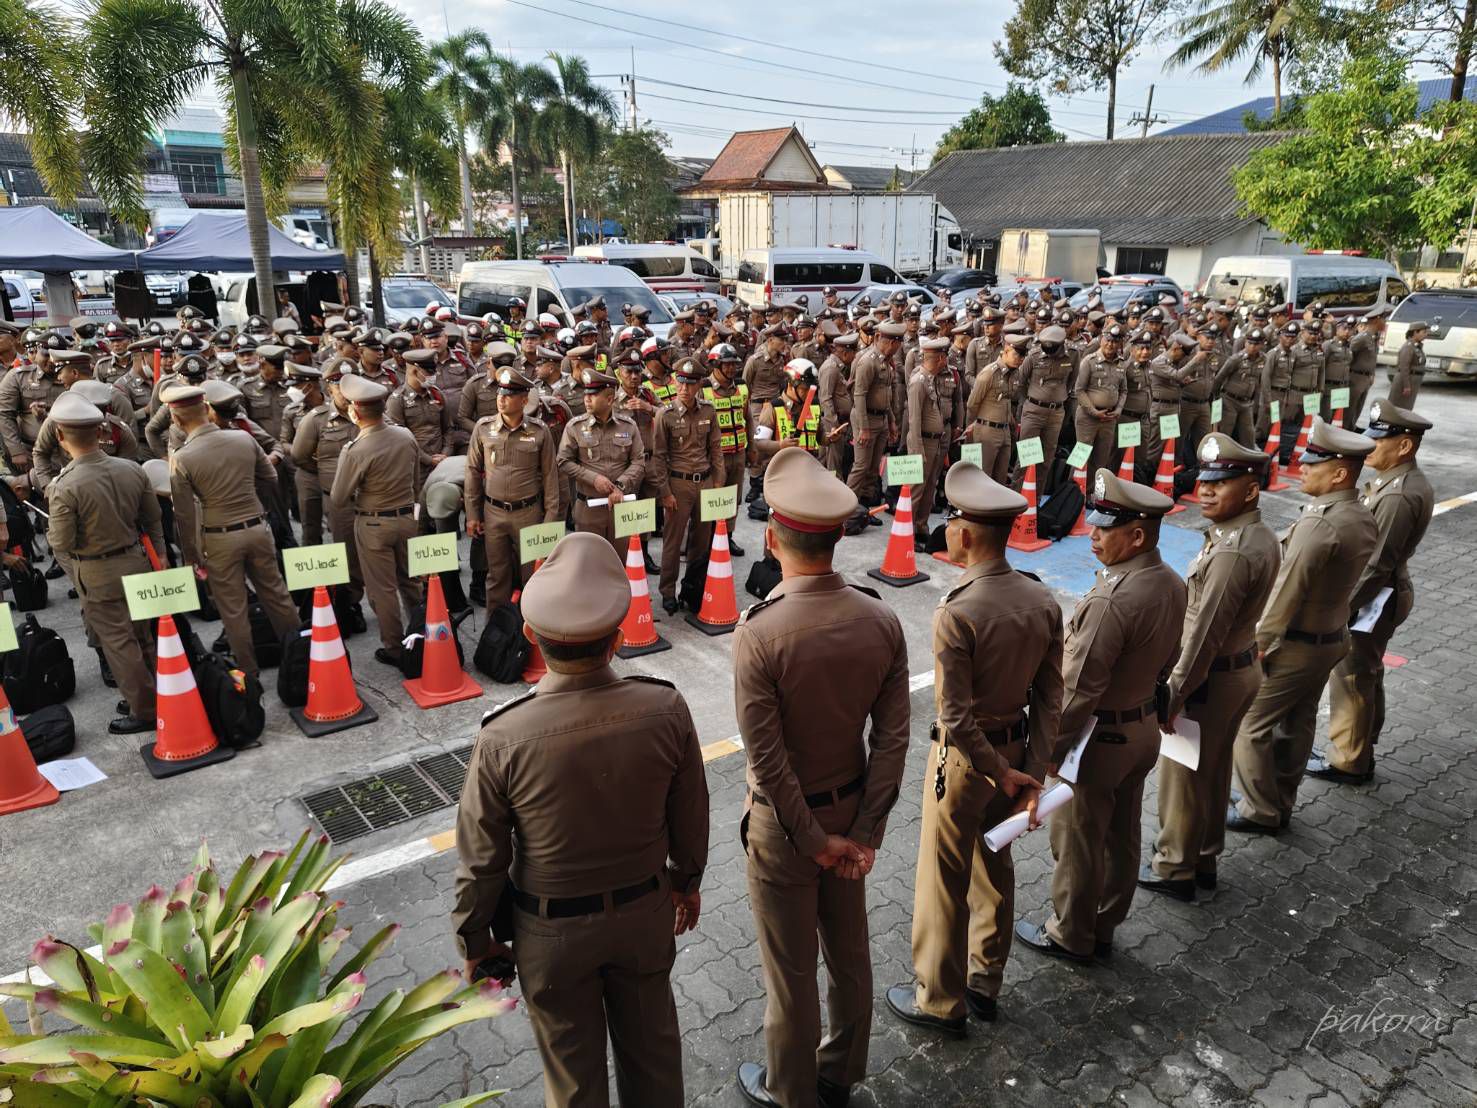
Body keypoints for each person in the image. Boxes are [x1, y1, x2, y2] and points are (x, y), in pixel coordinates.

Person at [452, 532, 708, 1108]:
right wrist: (686, 881)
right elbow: (691, 813)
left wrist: (475, 939)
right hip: (644, 914)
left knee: (572, 1083)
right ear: (618, 638)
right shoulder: (665, 708)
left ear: (530, 635)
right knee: (655, 1063)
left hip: (549, 934)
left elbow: (481, 859)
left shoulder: (502, 736)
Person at [732, 447, 910, 1108]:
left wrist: (812, 840)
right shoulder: (881, 618)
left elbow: (767, 759)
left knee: (790, 972)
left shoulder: (759, 633)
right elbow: (891, 739)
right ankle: (840, 1072)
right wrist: (862, 832)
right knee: (849, 954)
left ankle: (791, 1089)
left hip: (786, 831)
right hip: (851, 811)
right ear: (837, 538)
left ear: (771, 539)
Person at [887, 463, 1061, 1034]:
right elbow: (1050, 697)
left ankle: (940, 999)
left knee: (944, 879)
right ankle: (985, 983)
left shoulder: (957, 610)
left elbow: (956, 717)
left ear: (964, 533)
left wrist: (998, 771)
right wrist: (1030, 771)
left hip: (965, 763)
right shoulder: (1041, 599)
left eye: (953, 521)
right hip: (1017, 751)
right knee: (995, 865)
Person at [1015, 469, 1186, 961]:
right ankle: (1105, 923)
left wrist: (1048, 753)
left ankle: (1071, 933)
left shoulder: (1114, 599)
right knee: (1122, 833)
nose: (1092, 534)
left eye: (1105, 528)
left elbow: (1077, 691)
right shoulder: (1171, 582)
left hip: (1099, 741)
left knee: (1078, 839)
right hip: (1141, 730)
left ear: (1137, 536)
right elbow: (1171, 657)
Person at [1138, 434, 1280, 902]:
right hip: (1235, 669)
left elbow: (1203, 637)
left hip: (1209, 679)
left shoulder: (1232, 551)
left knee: (1183, 777)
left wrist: (1172, 696)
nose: (1205, 490)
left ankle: (1175, 866)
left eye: (1221, 483)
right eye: (1204, 481)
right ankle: (1203, 857)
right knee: (1212, 771)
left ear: (1251, 490)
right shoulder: (1254, 535)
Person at [1228, 419, 1377, 834]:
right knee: (1297, 720)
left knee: (1251, 724)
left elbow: (1286, 591)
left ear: (1340, 474)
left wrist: (1257, 646)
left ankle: (1260, 810)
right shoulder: (1359, 514)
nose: (1303, 468)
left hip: (1297, 643)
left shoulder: (1321, 523)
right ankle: (1281, 799)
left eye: (1314, 464)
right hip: (1330, 637)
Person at [1312, 403, 1434, 784]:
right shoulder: (1395, 483)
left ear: (1404, 446)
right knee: (1365, 671)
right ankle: (1362, 745)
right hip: (1380, 593)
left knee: (1352, 675)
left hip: (1375, 597)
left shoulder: (1398, 495)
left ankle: (1349, 760)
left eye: (1380, 440)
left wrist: (1341, 609)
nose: (1370, 446)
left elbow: (1376, 565)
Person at [46, 393, 164, 734]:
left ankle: (145, 709)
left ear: (60, 436)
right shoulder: (132, 469)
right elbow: (153, 518)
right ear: (100, 431)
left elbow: (61, 542)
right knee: (143, 637)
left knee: (119, 643)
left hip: (97, 572)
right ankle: (158, 693)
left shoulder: (65, 486)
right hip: (136, 560)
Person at [164, 384, 301, 678]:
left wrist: (191, 555)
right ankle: (300, 659)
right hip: (256, 527)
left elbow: (184, 514)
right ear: (206, 409)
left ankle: (249, 677)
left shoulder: (183, 457)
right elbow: (270, 477)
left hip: (218, 537)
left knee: (233, 609)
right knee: (277, 596)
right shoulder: (243, 438)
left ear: (175, 419)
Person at [330, 374, 423, 666]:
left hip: (373, 524)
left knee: (382, 589)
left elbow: (338, 497)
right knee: (411, 582)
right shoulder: (405, 436)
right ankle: (421, 634)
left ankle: (394, 647)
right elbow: (416, 481)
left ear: (355, 412)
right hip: (406, 517)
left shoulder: (356, 449)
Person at [463, 367, 562, 609]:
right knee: (497, 576)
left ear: (524, 400)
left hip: (528, 513)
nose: (502, 398)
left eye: (509, 394)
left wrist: (550, 520)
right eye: (500, 393)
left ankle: (531, 624)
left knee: (532, 574)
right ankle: (496, 626)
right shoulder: (483, 428)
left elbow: (550, 477)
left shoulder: (539, 431)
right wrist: (473, 514)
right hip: (493, 513)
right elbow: (472, 472)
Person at [649, 358, 723, 614]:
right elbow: (659, 457)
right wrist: (665, 493)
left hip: (705, 482)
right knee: (673, 541)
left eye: (690, 383)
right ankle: (668, 591)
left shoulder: (709, 411)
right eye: (680, 382)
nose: (684, 388)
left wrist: (718, 483)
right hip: (678, 485)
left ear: (699, 384)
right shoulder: (665, 414)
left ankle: (692, 588)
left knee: (701, 542)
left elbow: (716, 450)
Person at [556, 368, 645, 550]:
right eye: (586, 394)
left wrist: (620, 485)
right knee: (590, 560)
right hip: (589, 508)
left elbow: (639, 461)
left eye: (594, 395)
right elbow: (563, 461)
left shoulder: (628, 426)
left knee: (621, 559)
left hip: (622, 506)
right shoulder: (575, 427)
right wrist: (593, 479)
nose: (587, 399)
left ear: (610, 399)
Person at [844, 322, 903, 530]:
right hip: (866, 418)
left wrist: (892, 422)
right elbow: (859, 395)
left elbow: (886, 396)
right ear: (892, 343)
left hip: (881, 419)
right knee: (860, 466)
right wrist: (864, 427)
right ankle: (846, 511)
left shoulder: (887, 362)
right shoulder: (868, 361)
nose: (898, 347)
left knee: (872, 468)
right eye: (898, 343)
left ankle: (864, 511)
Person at [906, 337, 960, 548]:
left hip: (936, 441)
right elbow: (914, 419)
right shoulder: (919, 381)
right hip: (923, 442)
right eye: (944, 357)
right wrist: (917, 449)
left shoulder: (931, 379)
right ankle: (907, 532)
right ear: (940, 359)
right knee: (916, 490)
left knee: (929, 487)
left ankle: (921, 526)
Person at [704, 344, 752, 557]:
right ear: (716, 365)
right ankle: (708, 540)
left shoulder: (741, 387)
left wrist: (752, 447)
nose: (732, 368)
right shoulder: (705, 388)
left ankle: (727, 537)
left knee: (733, 498)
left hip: (738, 452)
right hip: (716, 456)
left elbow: (748, 418)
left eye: (734, 364)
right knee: (713, 499)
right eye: (727, 364)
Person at [1017, 324, 1075, 492]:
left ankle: (1036, 497)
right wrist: (1029, 402)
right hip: (1034, 411)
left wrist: (1058, 397)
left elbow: (1072, 380)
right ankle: (1017, 495)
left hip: (1056, 413)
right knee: (1026, 457)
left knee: (1046, 458)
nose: (1049, 352)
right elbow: (1020, 382)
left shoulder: (1072, 355)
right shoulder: (1034, 355)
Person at [966, 333, 1026, 486]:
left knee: (1000, 478)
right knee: (983, 477)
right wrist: (974, 427)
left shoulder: (1015, 373)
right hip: (987, 430)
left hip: (1005, 430)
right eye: (1016, 355)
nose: (1020, 359)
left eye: (1022, 356)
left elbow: (1007, 400)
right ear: (1006, 351)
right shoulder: (989, 373)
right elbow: (972, 403)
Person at [1072, 325, 1126, 480]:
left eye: (1115, 342)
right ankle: (1073, 488)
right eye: (1108, 340)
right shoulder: (1089, 361)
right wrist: (1094, 412)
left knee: (1101, 458)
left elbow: (1124, 391)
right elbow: (1079, 390)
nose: (1110, 344)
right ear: (1102, 339)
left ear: (1119, 344)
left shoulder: (1121, 363)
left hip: (1109, 418)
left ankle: (1092, 490)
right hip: (1088, 417)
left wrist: (1119, 409)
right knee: (1081, 456)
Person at [1213, 327, 1266, 447]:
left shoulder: (1264, 359)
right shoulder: (1236, 359)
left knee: (1249, 434)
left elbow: (1261, 382)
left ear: (1262, 344)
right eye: (1250, 343)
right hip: (1229, 400)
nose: (1252, 347)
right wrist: (1216, 399)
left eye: (1256, 344)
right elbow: (1219, 379)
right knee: (1225, 433)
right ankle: (1219, 456)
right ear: (1245, 342)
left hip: (1246, 403)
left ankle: (1248, 456)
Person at [1347, 310, 1386, 429]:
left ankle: (1351, 427)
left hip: (1365, 378)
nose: (1385, 323)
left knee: (1358, 408)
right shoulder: (1362, 338)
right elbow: (1347, 355)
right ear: (1376, 321)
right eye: (1383, 320)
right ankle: (1346, 429)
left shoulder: (1373, 337)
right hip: (1356, 378)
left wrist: (1372, 374)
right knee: (1350, 408)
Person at [1387, 320, 1428, 408]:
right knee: (1399, 408)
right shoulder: (1408, 347)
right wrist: (1406, 386)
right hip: (1405, 381)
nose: (1426, 334)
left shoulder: (1416, 346)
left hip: (1412, 381)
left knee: (1406, 407)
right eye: (1424, 332)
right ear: (1415, 332)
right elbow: (1404, 367)